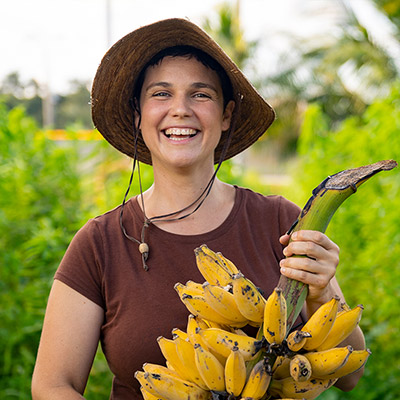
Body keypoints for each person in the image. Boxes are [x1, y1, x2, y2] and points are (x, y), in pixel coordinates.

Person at [31, 18, 365, 399]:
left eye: (200, 94)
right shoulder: (101, 242)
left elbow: (350, 374)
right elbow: (52, 384)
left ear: (225, 116)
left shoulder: (279, 222)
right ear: (138, 115)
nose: (180, 110)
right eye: (161, 94)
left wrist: (323, 293)